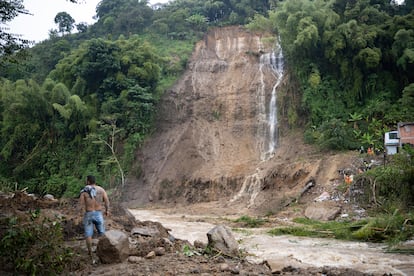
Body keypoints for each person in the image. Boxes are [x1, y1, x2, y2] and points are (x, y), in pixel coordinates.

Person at [79, 175, 110, 260]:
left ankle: (90, 253)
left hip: (89, 214)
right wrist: (107, 210)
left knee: (88, 234)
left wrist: (80, 213)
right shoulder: (101, 190)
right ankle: (104, 250)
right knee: (102, 233)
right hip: (98, 214)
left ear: (88, 181)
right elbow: (107, 201)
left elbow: (80, 204)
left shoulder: (84, 191)